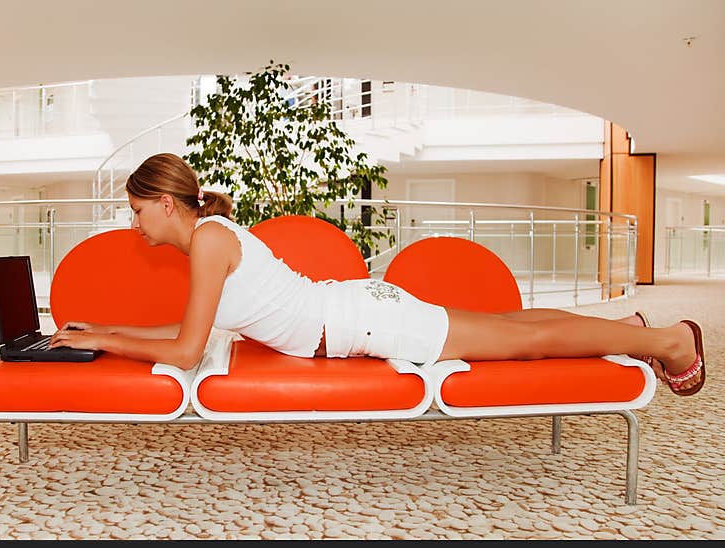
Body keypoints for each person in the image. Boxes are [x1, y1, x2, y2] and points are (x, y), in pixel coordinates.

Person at [51, 153, 706, 397]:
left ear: (166, 203)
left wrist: (104, 342)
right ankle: (630, 329)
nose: (134, 223)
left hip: (367, 320)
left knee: (520, 342)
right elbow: (196, 327)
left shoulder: (210, 243)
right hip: (357, 309)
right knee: (512, 326)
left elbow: (188, 351)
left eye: (137, 210)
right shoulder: (212, 240)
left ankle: (669, 342)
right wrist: (104, 328)